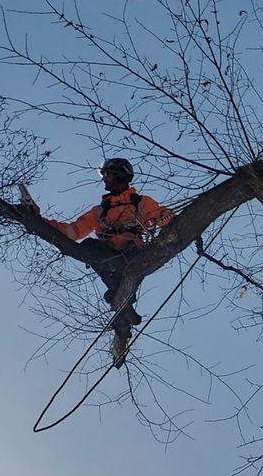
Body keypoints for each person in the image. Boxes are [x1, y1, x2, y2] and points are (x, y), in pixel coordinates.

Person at [37, 157, 174, 367]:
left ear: (120, 174)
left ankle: (120, 299)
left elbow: (166, 217)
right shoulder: (100, 211)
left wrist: (165, 218)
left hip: (133, 254)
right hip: (109, 258)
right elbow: (72, 232)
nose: (105, 180)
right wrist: (40, 221)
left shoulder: (142, 203)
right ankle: (123, 303)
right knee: (88, 246)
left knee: (122, 274)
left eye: (108, 175)